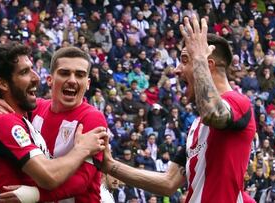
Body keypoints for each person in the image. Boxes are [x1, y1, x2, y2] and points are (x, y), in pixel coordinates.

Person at [101, 15, 256, 203]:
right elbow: (168, 182)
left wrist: (198, 56)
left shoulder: (238, 102)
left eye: (184, 60)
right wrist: (110, 166)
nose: (176, 70)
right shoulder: (196, 127)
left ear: (208, 65)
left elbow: (214, 113)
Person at [0, 42, 107, 202]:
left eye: (80, 75)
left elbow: (82, 181)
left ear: (88, 83)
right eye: (65, 73)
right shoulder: (32, 110)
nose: (72, 80)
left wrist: (35, 195)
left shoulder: (93, 118)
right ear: (50, 80)